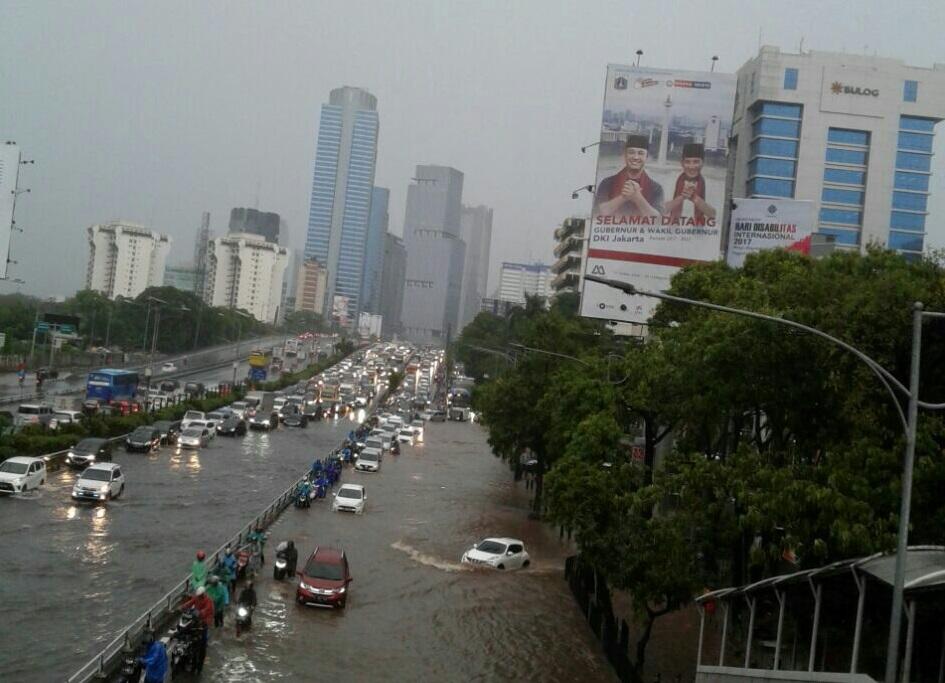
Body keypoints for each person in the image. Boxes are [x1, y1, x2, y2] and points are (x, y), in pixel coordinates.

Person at [595, 134, 664, 218]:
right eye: (631, 152)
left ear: (647, 157)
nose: (635, 157)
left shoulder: (656, 188)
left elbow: (657, 219)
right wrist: (623, 197)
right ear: (625, 155)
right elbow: (599, 212)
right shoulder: (607, 183)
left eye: (641, 153)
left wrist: (638, 198)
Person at [662, 142, 716, 223]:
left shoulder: (711, 183)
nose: (691, 167)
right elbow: (660, 211)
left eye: (696, 162)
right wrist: (682, 197)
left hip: (697, 233)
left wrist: (694, 198)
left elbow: (713, 214)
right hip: (672, 230)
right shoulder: (671, 179)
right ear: (682, 163)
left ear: (702, 163)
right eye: (687, 162)